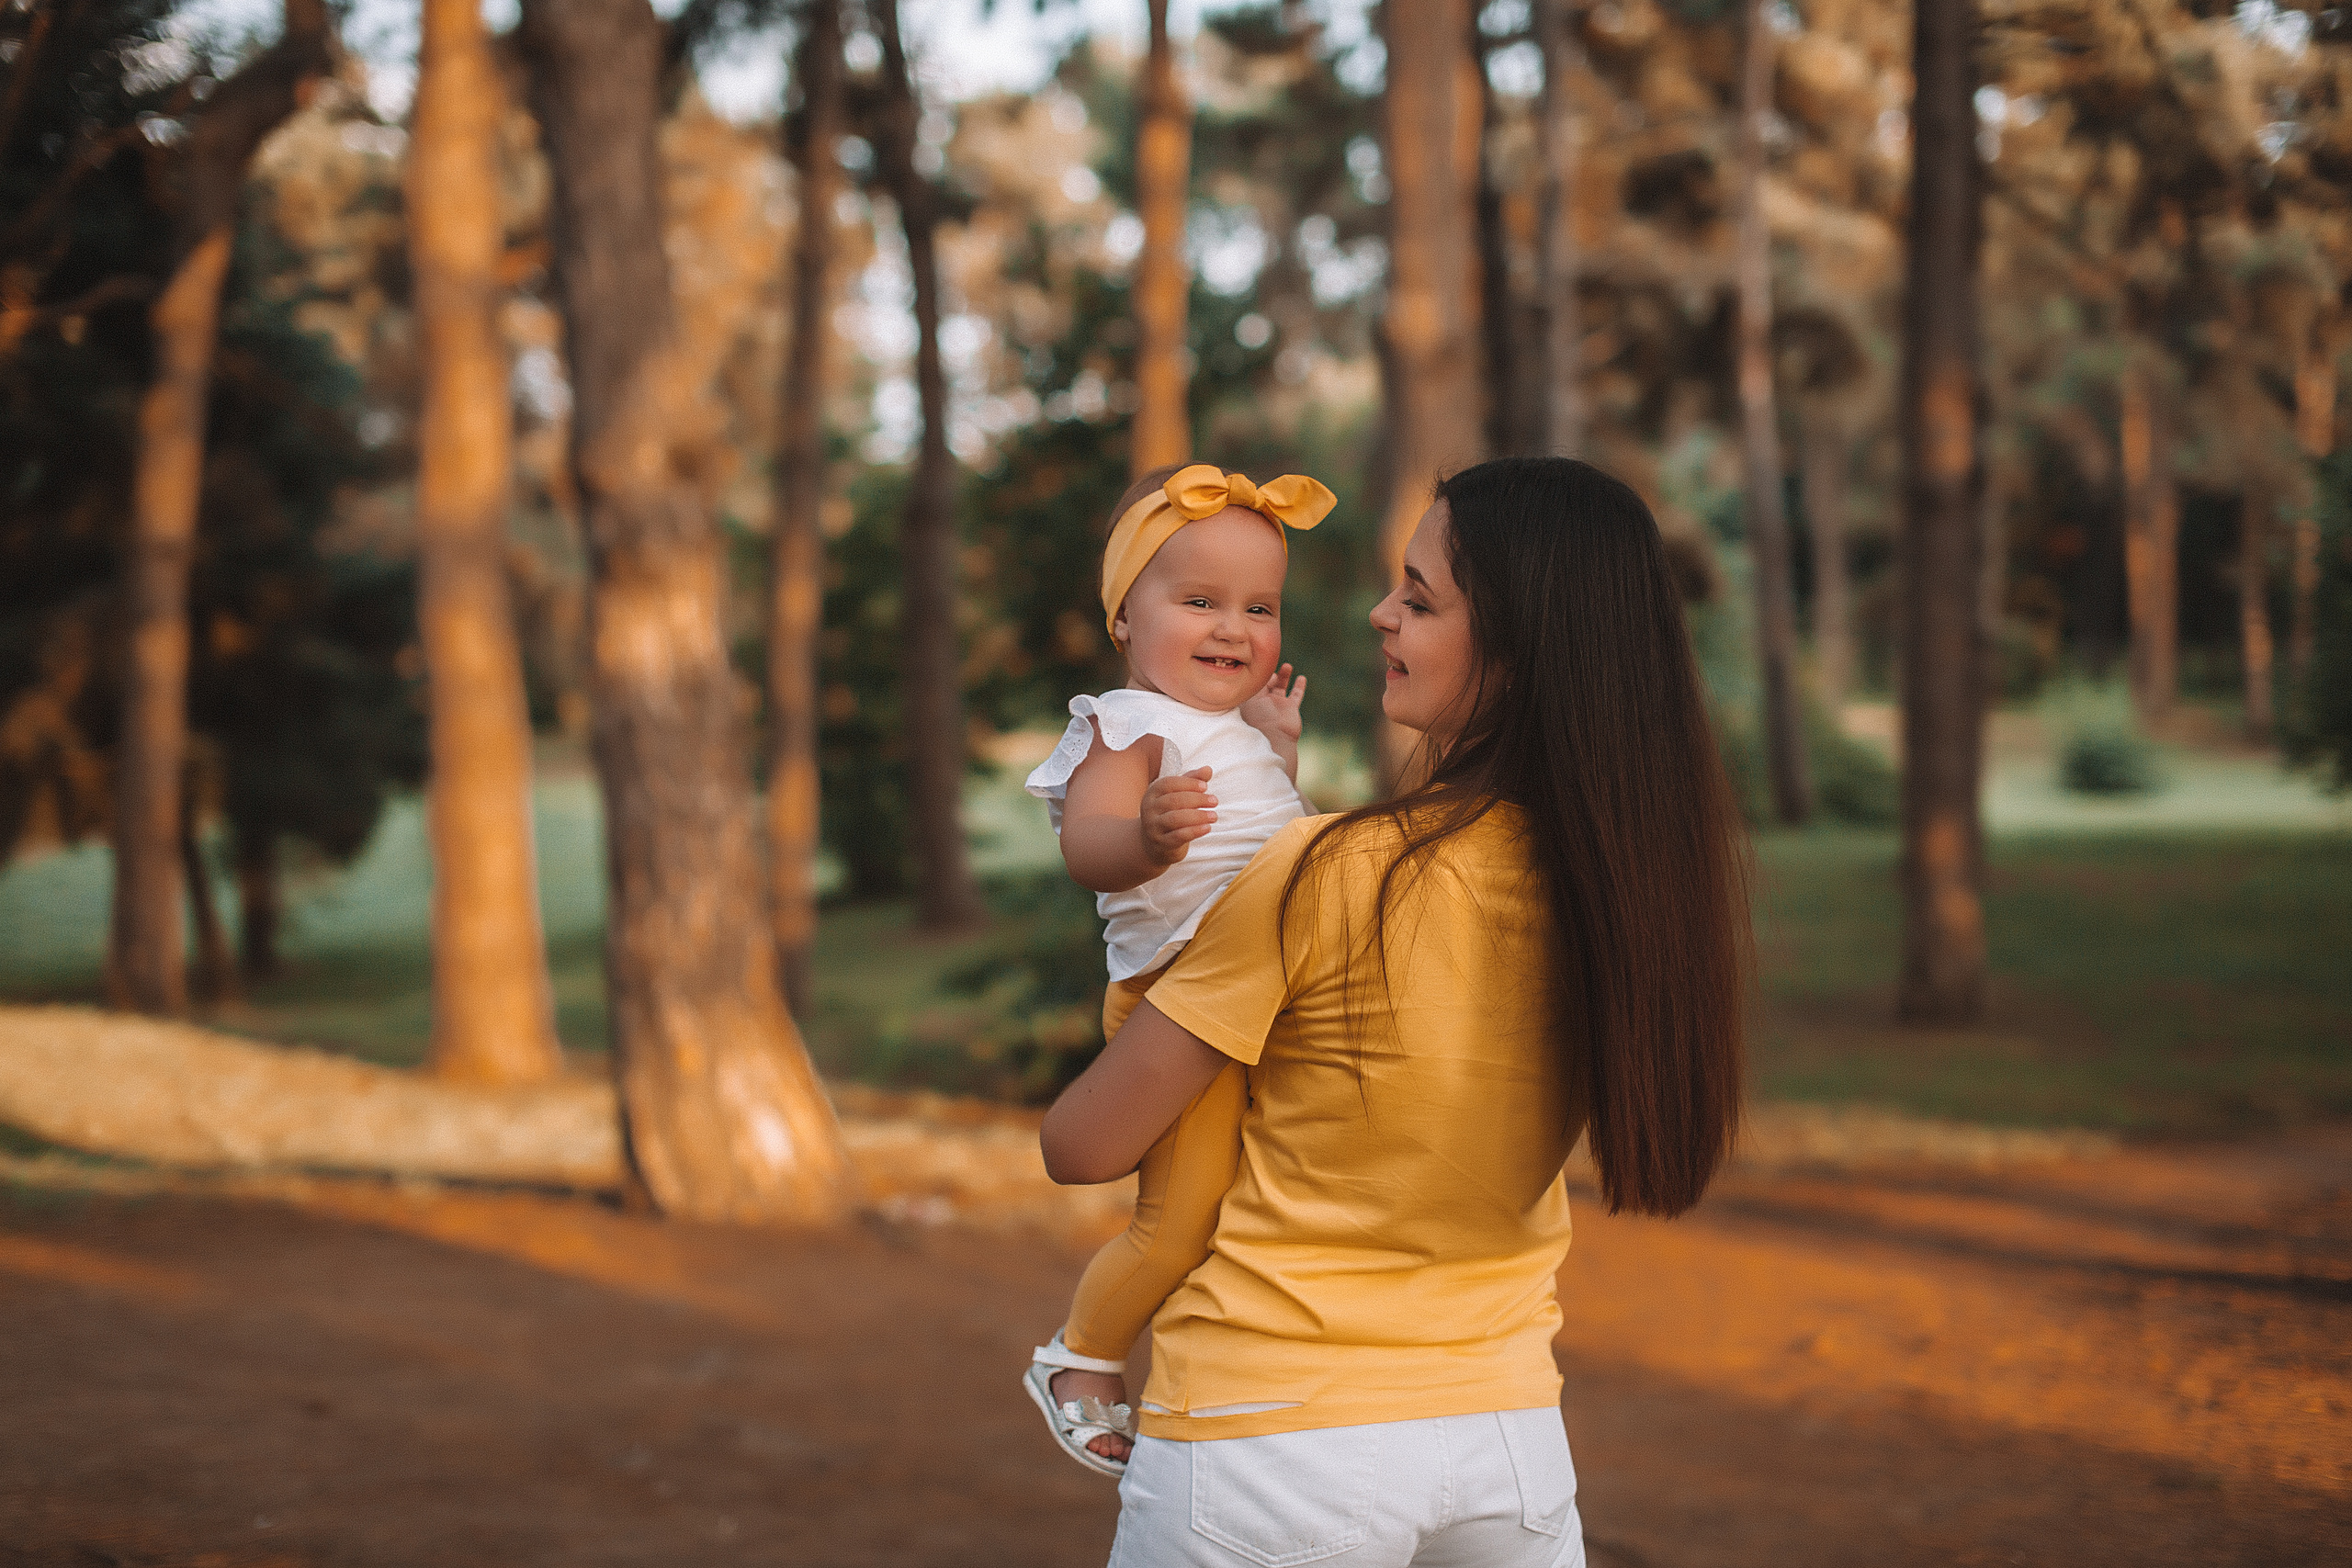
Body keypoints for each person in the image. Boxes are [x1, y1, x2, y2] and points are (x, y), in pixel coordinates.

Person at [1041, 457, 1750, 1566]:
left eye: (1419, 598)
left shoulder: (1329, 871)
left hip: (1270, 1443)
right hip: (1508, 1444)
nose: (1379, 612)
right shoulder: (1620, 884)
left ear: (1513, 649)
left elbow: (1082, 1144)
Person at [1020, 461, 1339, 1476]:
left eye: (1260, 607)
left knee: (1251, 1203)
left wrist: (1278, 755)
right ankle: (1081, 1356)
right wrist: (1145, 838)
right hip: (1178, 1001)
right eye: (1198, 601)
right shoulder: (1129, 724)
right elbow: (1089, 847)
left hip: (1259, 992)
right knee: (1176, 1219)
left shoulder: (1235, 729)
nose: (1233, 629)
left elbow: (1263, 839)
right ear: (1124, 616)